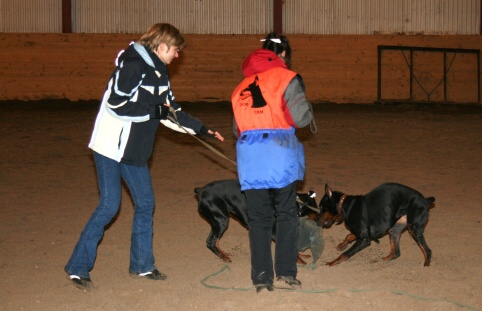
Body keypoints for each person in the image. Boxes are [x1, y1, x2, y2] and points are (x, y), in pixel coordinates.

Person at [64, 23, 224, 290]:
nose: (177, 55)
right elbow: (117, 104)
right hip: (110, 148)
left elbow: (169, 111)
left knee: (146, 203)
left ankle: (141, 266)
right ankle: (77, 267)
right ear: (162, 46)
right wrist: (154, 112)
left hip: (135, 152)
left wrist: (202, 128)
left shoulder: (160, 72)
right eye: (175, 50)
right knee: (109, 206)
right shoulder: (132, 65)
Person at [231, 32, 313, 293]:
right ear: (284, 55)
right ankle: (286, 275)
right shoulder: (287, 78)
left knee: (258, 218)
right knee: (286, 214)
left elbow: (237, 129)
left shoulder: (240, 86)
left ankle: (262, 278)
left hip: (250, 157)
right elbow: (301, 118)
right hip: (279, 154)